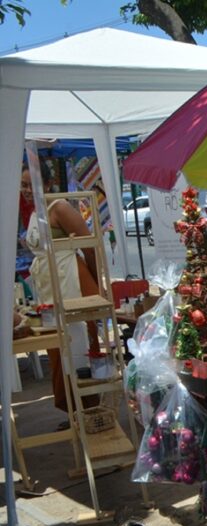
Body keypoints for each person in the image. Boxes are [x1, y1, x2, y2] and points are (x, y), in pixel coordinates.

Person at [21, 164, 100, 412]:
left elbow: (90, 246)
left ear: (46, 183)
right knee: (57, 347)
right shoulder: (36, 212)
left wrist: (96, 286)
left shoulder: (60, 207)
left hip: (72, 281)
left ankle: (89, 409)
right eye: (22, 185)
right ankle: (73, 409)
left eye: (29, 184)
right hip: (50, 286)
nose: (25, 190)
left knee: (79, 344)